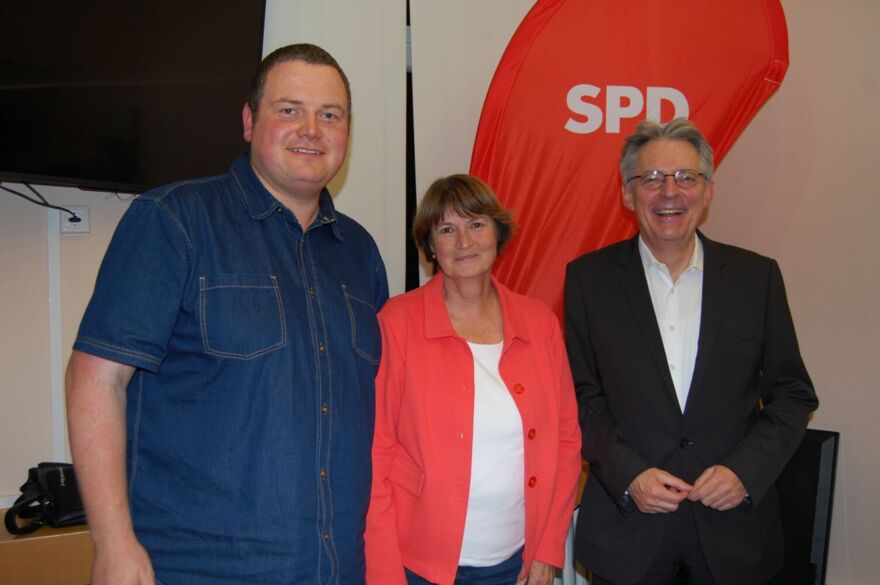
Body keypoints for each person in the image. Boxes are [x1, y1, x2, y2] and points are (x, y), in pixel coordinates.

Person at [65, 44, 388, 585]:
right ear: (248, 121)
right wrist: (113, 544)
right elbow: (95, 379)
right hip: (198, 569)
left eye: (329, 115)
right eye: (289, 110)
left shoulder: (360, 252)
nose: (311, 128)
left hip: (335, 570)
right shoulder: (173, 221)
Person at [564, 118, 818, 585]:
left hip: (734, 538)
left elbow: (792, 395)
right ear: (627, 194)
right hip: (628, 536)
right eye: (652, 178)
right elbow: (581, 396)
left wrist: (745, 472)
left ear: (708, 191)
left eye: (686, 177)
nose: (669, 193)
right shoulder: (587, 280)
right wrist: (628, 475)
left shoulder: (756, 278)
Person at [364, 174, 582, 585]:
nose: (464, 242)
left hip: (515, 562)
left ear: (498, 233)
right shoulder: (397, 323)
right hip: (416, 567)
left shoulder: (540, 324)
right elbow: (375, 456)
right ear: (431, 246)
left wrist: (548, 549)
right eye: (447, 229)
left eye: (476, 224)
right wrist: (386, 575)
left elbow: (567, 441)